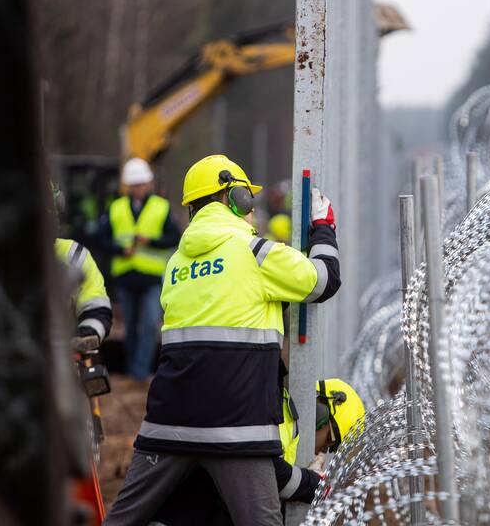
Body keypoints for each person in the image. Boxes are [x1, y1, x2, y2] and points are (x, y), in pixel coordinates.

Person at [103, 155, 341, 526]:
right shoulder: (255, 253)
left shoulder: (176, 265)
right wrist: (324, 227)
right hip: (237, 430)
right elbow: (324, 280)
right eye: (247, 199)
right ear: (237, 199)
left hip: (166, 427)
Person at [147, 379, 366, 525]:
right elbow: (266, 473)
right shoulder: (278, 412)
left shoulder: (287, 417)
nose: (321, 451)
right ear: (320, 415)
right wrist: (314, 484)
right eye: (327, 442)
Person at [96, 157, 180, 380]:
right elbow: (101, 239)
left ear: (148, 184)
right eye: (134, 184)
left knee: (150, 324)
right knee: (131, 328)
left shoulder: (161, 207)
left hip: (151, 278)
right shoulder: (116, 208)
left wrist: (150, 241)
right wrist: (120, 250)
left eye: (141, 184)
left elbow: (174, 237)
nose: (138, 188)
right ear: (128, 186)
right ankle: (132, 368)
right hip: (125, 278)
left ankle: (140, 372)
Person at [52, 183, 113, 351]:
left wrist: (85, 334)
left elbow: (96, 307)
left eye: (56, 212)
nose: (55, 219)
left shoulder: (74, 254)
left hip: (60, 358)